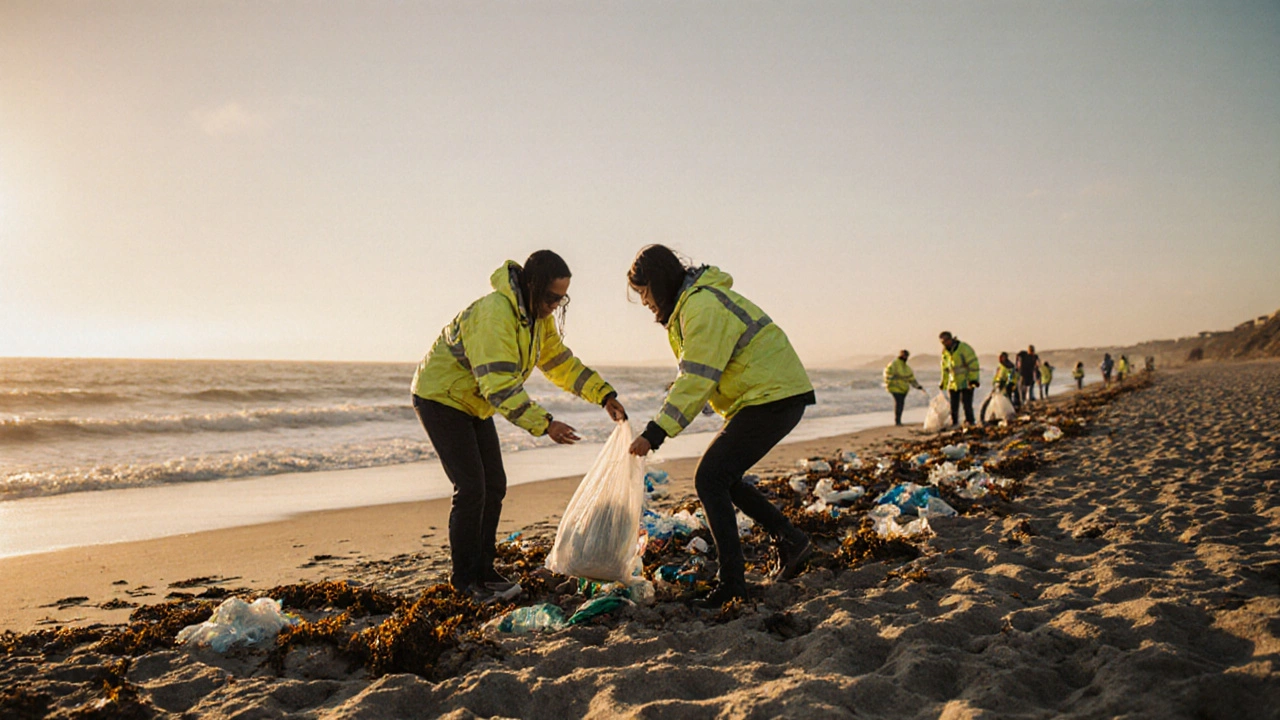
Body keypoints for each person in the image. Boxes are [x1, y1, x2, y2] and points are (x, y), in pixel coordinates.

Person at [411, 251, 627, 603]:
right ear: (532, 285)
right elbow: (500, 387)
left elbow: (561, 363)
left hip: (474, 401)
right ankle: (465, 580)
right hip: (441, 398)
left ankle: (484, 569)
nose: (556, 305)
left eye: (563, 298)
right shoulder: (494, 314)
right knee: (470, 489)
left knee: (494, 484)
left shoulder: (537, 318)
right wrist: (546, 425)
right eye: (552, 297)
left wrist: (602, 395)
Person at [626, 245, 814, 608]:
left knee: (709, 477)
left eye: (644, 291)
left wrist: (654, 433)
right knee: (722, 476)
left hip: (773, 398)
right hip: (772, 396)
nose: (644, 301)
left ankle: (732, 582)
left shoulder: (700, 306)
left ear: (660, 282)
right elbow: (700, 374)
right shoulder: (694, 304)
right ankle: (790, 540)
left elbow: (696, 379)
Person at [939, 331, 980, 426]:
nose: (945, 343)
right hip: (953, 382)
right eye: (942, 342)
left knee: (967, 403)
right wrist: (943, 383)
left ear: (951, 339)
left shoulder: (963, 348)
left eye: (946, 341)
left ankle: (970, 421)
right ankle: (954, 422)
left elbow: (973, 364)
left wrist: (973, 379)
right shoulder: (945, 353)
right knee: (953, 405)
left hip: (966, 381)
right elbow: (945, 369)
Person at [883, 349, 924, 426]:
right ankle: (897, 421)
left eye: (906, 355)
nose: (905, 357)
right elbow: (888, 374)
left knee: (901, 404)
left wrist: (917, 386)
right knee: (899, 403)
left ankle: (898, 420)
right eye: (904, 355)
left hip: (903, 389)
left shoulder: (906, 367)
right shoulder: (894, 364)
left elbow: (911, 378)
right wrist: (889, 383)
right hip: (895, 387)